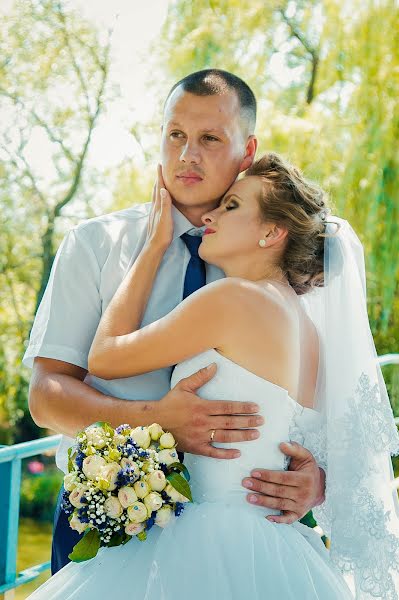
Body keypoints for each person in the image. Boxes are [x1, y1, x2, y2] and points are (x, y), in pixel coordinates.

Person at [25, 70, 326, 574]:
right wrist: (155, 419)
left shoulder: (285, 269)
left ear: (247, 152)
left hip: (238, 546)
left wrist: (318, 482)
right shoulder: (95, 244)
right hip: (103, 529)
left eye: (210, 138)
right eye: (176, 135)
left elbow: (323, 412)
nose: (188, 155)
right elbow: (45, 397)